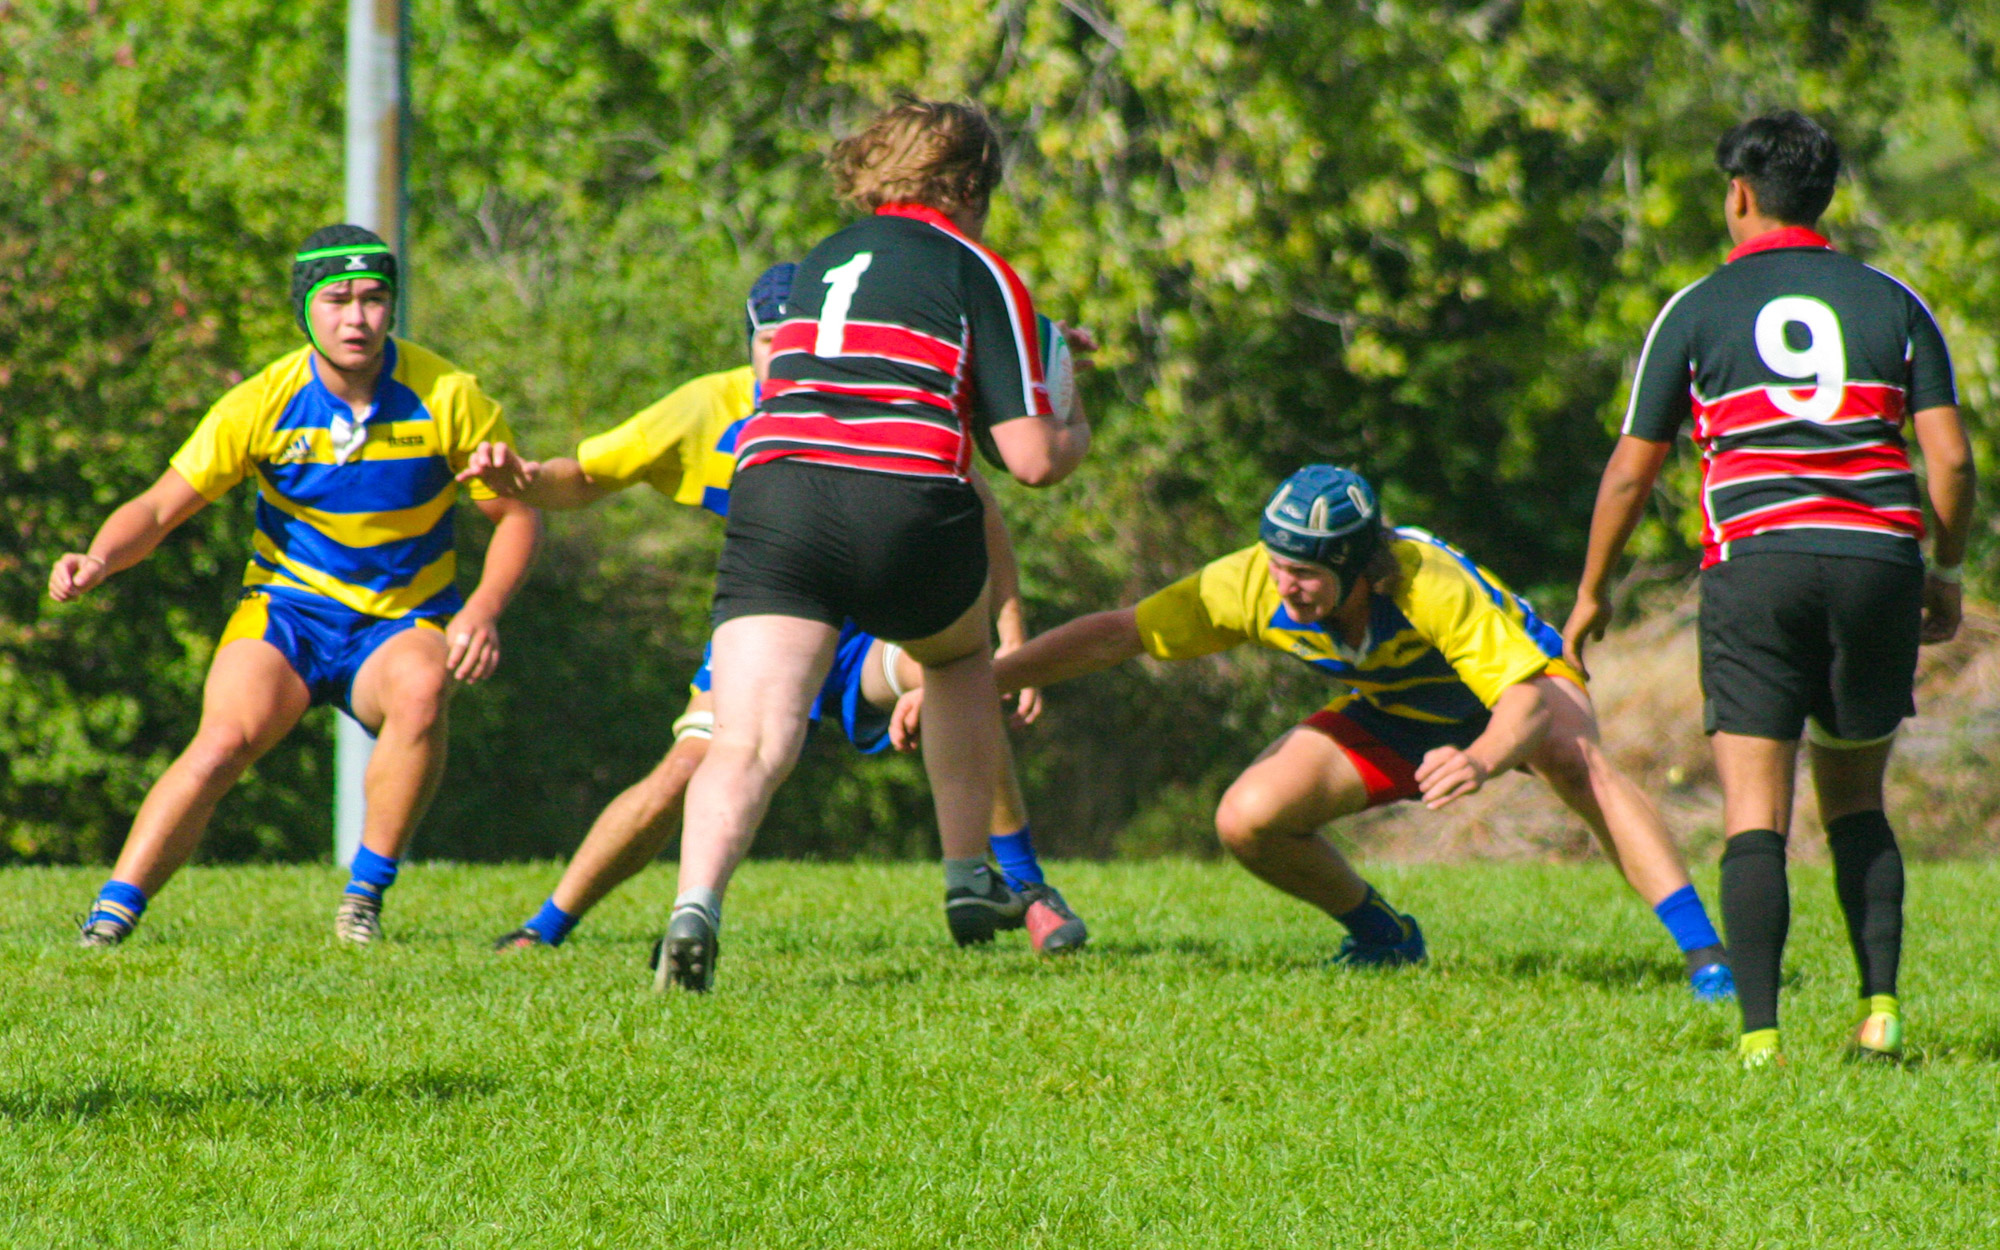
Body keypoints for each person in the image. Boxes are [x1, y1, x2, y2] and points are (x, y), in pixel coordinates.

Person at [900, 465, 1734, 992]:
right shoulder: (1253, 584)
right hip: (1400, 714)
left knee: (1570, 755)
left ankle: (1706, 959)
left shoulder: (1423, 581)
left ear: (1357, 567)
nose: (1285, 587)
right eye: (1277, 565)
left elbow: (1519, 700)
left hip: (1509, 699)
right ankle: (1384, 939)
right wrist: (971, 680)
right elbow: (1120, 633)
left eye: (1304, 574)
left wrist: (1478, 761)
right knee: (1246, 817)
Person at [459, 264, 1087, 957]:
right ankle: (544, 929)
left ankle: (1025, 892)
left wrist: (1011, 636)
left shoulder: (883, 394)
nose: (793, 353)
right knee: (682, 770)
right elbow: (581, 477)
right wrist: (524, 477)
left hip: (865, 635)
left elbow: (981, 509)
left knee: (959, 676)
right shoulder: (708, 408)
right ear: (751, 344)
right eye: (773, 340)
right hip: (768, 628)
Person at [644, 98, 1092, 991]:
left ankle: (695, 906)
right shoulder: (980, 269)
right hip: (904, 502)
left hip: (774, 496)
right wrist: (1074, 404)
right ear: (971, 186)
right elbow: (1031, 461)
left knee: (749, 736)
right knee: (960, 658)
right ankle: (971, 880)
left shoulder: (823, 260)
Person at [1563, 112, 1974, 1066]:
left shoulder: (1699, 306)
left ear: (1740, 195)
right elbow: (1949, 461)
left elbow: (1631, 472)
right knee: (1857, 801)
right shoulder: (1892, 300)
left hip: (1757, 562)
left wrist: (1593, 592)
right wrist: (1941, 573)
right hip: (1876, 561)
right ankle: (1880, 1009)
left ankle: (1760, 1037)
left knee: (1756, 811)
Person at [51, 224, 541, 947]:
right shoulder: (264, 400)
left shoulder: (448, 395)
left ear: (393, 309)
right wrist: (98, 558)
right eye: (337, 300)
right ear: (304, 309)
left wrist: (483, 610)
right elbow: (158, 507)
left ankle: (363, 902)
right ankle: (112, 915)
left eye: (374, 299)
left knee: (423, 691)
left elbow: (517, 514)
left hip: (403, 620)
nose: (357, 318)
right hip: (288, 613)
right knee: (222, 742)